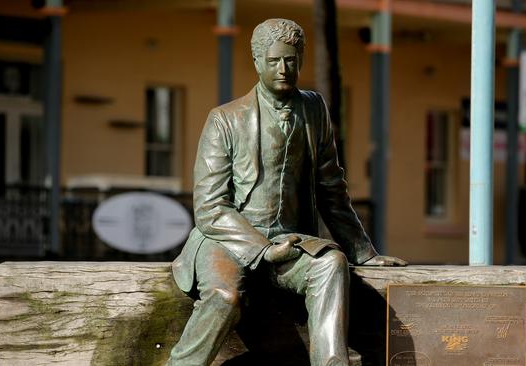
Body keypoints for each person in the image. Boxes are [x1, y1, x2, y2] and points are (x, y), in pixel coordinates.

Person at [167, 18, 406, 366]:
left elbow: (331, 188)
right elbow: (210, 207)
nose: (283, 68)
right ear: (257, 61)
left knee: (331, 263)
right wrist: (262, 250)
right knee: (224, 295)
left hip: (291, 242)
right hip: (227, 241)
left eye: (291, 60)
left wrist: (363, 252)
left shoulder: (314, 109)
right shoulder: (224, 119)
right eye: (275, 60)